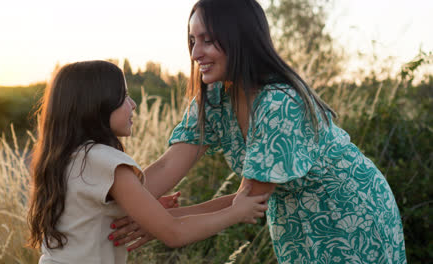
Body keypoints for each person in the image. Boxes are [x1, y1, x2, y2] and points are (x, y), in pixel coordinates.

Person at [110, 0, 407, 263]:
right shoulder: (214, 98)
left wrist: (159, 220)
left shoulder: (280, 102)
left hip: (349, 213)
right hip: (294, 217)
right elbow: (167, 164)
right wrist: (115, 202)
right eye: (192, 41)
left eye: (208, 40)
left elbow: (248, 199)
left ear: (240, 39)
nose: (196, 52)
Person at [26, 60, 269, 264]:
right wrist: (235, 213)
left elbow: (94, 220)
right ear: (96, 106)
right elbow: (174, 232)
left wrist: (148, 208)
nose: (133, 104)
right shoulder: (102, 160)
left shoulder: (67, 158)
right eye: (124, 97)